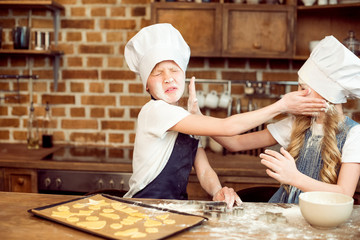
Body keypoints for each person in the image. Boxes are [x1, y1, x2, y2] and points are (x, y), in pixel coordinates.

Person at [123, 23, 326, 207]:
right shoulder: (155, 111)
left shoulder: (187, 120)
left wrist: (217, 190)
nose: (168, 78)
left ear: (184, 75)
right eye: (158, 73)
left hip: (172, 211)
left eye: (174, 70)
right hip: (143, 208)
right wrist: (281, 105)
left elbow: (203, 171)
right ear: (147, 85)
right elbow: (228, 128)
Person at [212, 35, 360, 203]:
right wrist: (197, 118)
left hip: (323, 221)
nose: (297, 93)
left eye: (303, 88)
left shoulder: (354, 134)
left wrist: (294, 177)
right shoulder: (296, 124)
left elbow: (344, 193)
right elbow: (235, 143)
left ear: (326, 94)